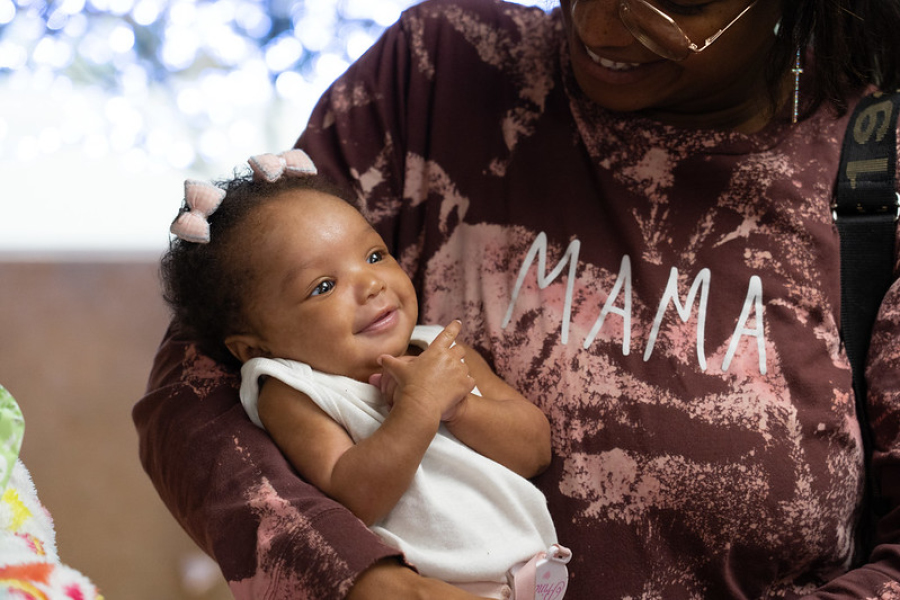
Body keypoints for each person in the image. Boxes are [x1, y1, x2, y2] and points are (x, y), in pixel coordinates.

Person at [133, 0, 900, 598]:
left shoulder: (877, 172)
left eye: (678, 3)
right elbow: (195, 389)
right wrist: (359, 582)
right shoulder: (439, 75)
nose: (599, 22)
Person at [158, 153, 570, 599]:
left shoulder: (443, 351)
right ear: (256, 347)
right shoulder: (294, 390)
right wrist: (419, 407)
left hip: (534, 581)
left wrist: (461, 406)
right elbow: (353, 496)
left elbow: (535, 450)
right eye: (323, 286)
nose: (371, 283)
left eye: (375, 255)